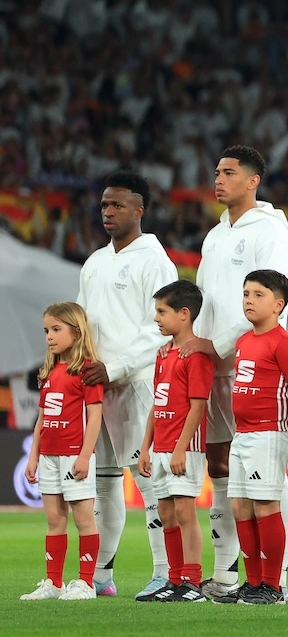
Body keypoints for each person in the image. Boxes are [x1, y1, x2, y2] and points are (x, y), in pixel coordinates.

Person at [190, 146, 288, 601]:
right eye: (216, 172)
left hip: (253, 365)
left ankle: (278, 580)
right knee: (223, 470)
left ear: (253, 181)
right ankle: (229, 576)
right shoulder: (215, 235)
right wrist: (196, 346)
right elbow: (200, 298)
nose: (218, 179)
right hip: (212, 367)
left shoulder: (270, 231)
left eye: (229, 172)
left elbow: (270, 295)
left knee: (266, 476)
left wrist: (214, 345)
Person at [77, 170, 178, 598]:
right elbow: (79, 321)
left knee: (149, 480)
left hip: (136, 383)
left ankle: (163, 572)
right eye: (104, 205)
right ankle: (101, 576)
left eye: (117, 205)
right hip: (96, 387)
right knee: (101, 483)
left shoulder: (155, 261)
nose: (108, 211)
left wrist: (115, 367)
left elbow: (159, 327)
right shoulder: (95, 261)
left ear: (140, 210)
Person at [211, 270, 288, 606]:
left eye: (258, 294)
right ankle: (253, 583)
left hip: (270, 432)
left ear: (279, 304)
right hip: (243, 433)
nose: (249, 300)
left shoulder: (284, 344)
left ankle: (273, 586)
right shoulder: (244, 341)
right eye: (246, 294)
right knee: (240, 506)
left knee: (265, 504)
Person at [134, 281, 215, 603]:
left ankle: (192, 583)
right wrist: (146, 445)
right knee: (165, 513)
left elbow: (198, 405)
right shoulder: (163, 354)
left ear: (184, 314)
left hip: (186, 447)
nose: (156, 318)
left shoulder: (195, 355)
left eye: (161, 311)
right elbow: (158, 402)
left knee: (184, 512)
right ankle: (173, 578)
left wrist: (180, 447)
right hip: (162, 446)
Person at [21, 302, 104, 602]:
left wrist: (84, 455)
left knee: (84, 520)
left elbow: (94, 416)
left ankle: (86, 583)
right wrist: (33, 457)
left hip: (74, 455)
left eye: (56, 329)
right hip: (49, 457)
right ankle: (54, 583)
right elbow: (42, 420)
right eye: (46, 330)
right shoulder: (48, 372)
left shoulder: (87, 371)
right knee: (55, 520)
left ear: (77, 332)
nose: (49, 337)